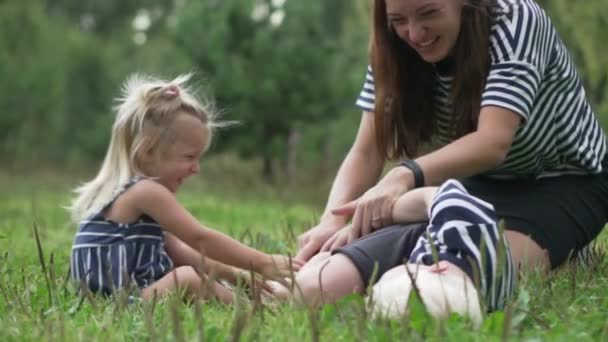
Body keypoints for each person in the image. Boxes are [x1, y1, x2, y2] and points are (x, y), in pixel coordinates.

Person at [295, 0, 608, 303]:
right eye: (399, 20)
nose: (415, 34)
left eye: (428, 13)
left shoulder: (517, 19)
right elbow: (367, 151)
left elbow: (492, 143)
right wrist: (330, 221)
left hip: (568, 181)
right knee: (325, 284)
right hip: (479, 184)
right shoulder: (394, 48)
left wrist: (404, 175)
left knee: (465, 281)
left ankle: (556, 246)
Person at [69, 74, 302, 302]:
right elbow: (200, 239)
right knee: (186, 278)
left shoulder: (128, 197)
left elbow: (184, 252)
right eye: (190, 157)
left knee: (187, 270)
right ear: (148, 152)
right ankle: (254, 311)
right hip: (120, 303)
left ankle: (250, 298)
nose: (196, 168)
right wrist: (262, 263)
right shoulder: (145, 191)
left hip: (124, 297)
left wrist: (237, 275)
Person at [275, 180, 514, 325]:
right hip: (414, 227)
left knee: (310, 295)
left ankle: (266, 289)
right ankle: (296, 274)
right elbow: (426, 196)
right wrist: (369, 222)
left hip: (431, 270)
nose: (384, 274)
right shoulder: (464, 221)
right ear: (436, 267)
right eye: (388, 276)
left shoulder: (475, 306)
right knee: (313, 284)